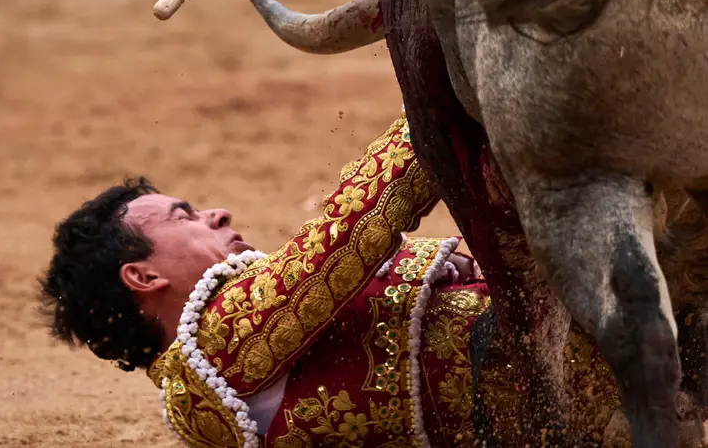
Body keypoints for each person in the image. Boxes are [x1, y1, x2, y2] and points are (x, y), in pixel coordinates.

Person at [39, 110, 621, 447]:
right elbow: (358, 221)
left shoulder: (202, 395)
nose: (216, 215)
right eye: (182, 216)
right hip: (603, 377)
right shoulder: (220, 339)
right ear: (142, 275)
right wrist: (442, 89)